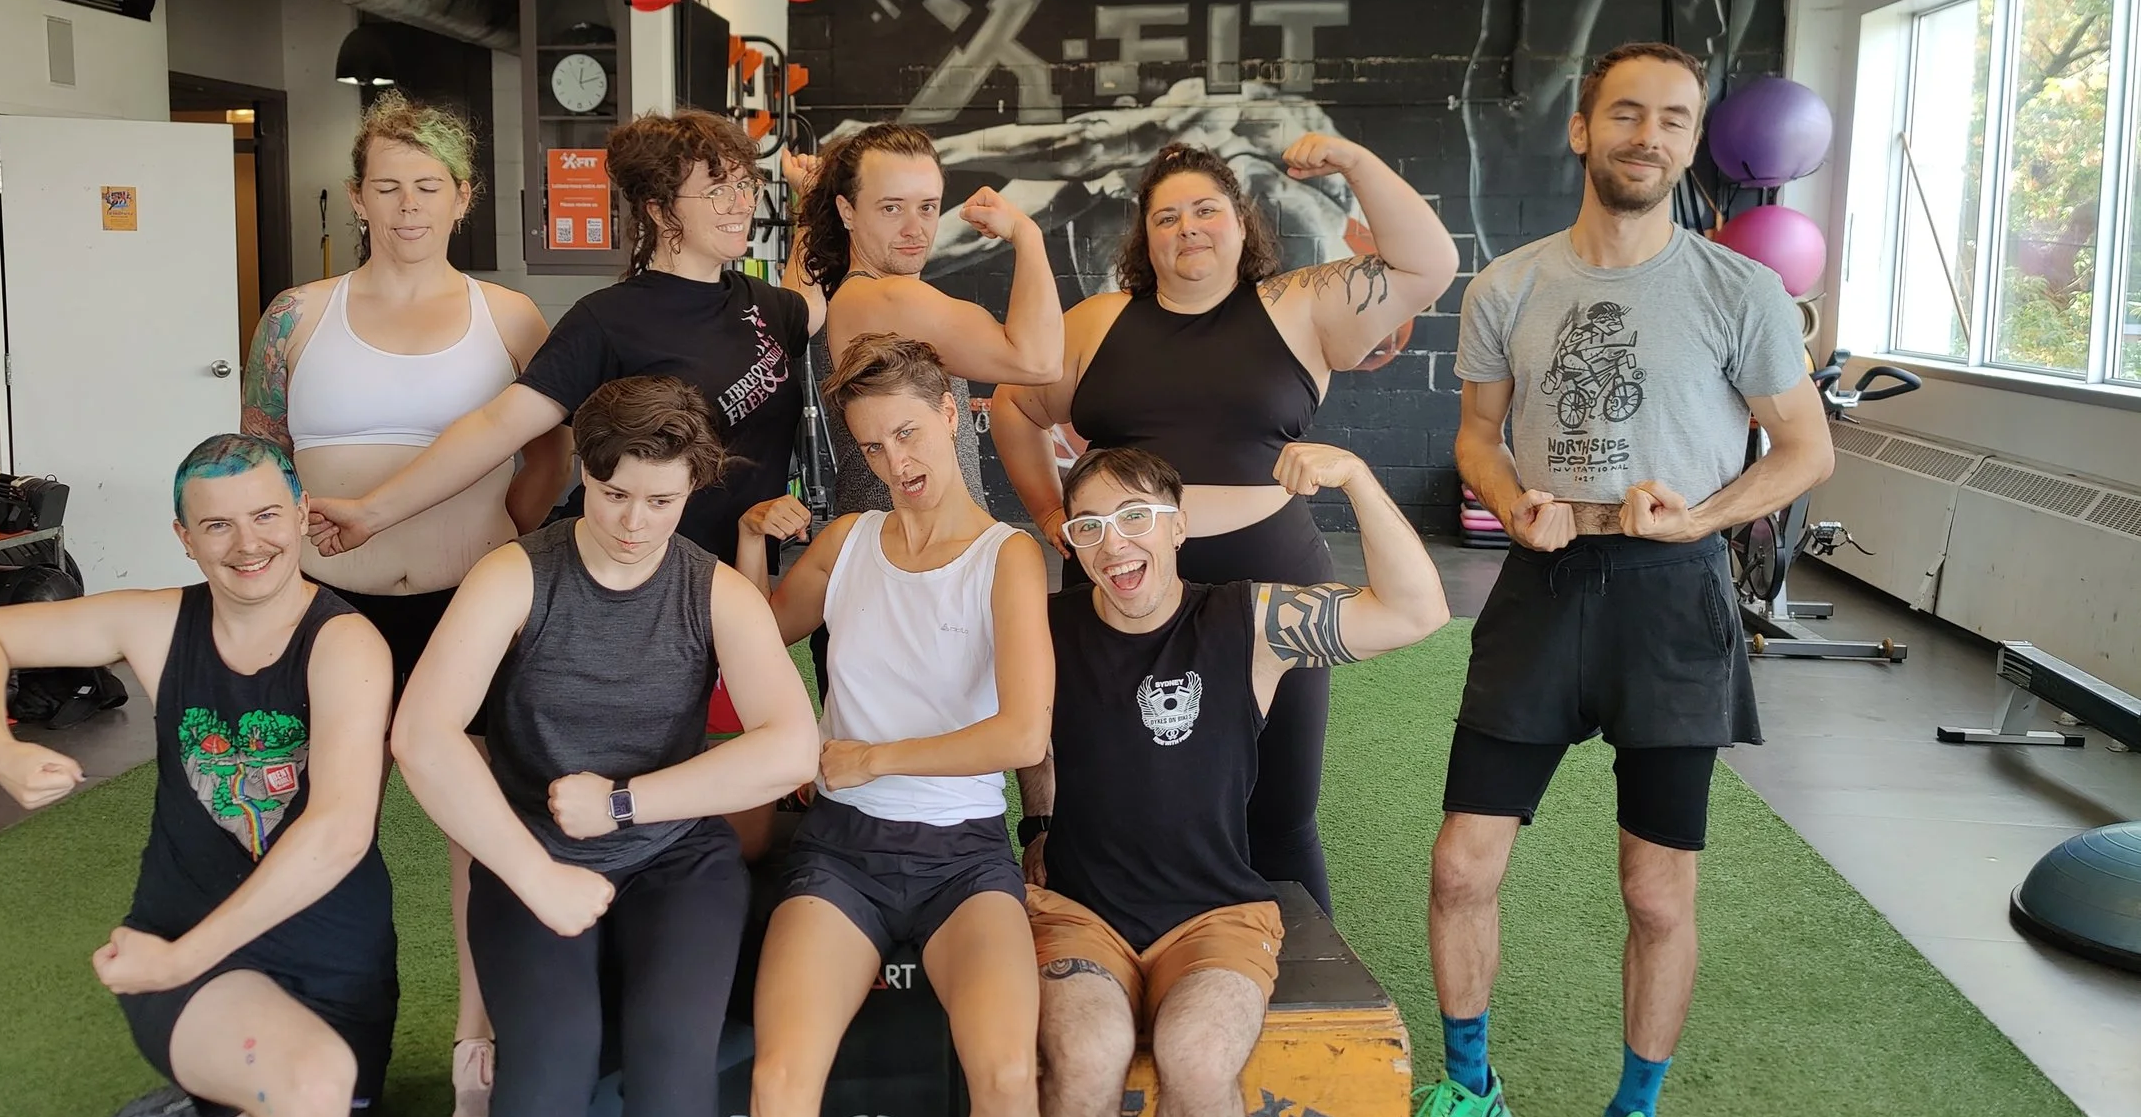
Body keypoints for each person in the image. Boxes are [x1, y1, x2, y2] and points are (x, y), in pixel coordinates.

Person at [1410, 40, 1831, 1117]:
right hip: (1544, 589)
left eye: (1675, 119)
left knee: (1656, 891)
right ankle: (1472, 1091)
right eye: (1626, 114)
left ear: (1694, 142)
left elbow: (1804, 452)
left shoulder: (1738, 291)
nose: (1649, 135)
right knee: (1458, 867)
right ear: (1583, 129)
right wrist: (1512, 499)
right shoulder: (1506, 287)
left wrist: (1699, 515)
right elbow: (1477, 434)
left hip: (1672, 598)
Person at [100, 95, 566, 1117]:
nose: (408, 207)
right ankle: (252, 1048)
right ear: (357, 196)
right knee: (292, 824)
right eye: (388, 186)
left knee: (480, 835)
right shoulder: (296, 318)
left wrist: (501, 542)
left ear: (463, 199)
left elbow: (545, 458)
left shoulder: (511, 319)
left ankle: (474, 1047)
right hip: (321, 615)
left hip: (462, 607)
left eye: (429, 187)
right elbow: (257, 458)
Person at [0, 434, 395, 1117]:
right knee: (312, 1090)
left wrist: (180, 953)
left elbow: (338, 832)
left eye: (268, 515)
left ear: (303, 513)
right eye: (217, 524)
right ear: (183, 537)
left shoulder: (346, 642)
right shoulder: (158, 625)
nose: (247, 544)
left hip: (320, 962)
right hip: (190, 966)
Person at [389, 376, 819, 1117]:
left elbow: (789, 744)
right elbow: (422, 734)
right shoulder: (514, 575)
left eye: (660, 501)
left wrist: (628, 805)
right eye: (613, 493)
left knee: (676, 1063)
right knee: (551, 1057)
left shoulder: (710, 587)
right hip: (535, 856)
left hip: (674, 858)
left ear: (691, 494)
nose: (632, 522)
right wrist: (535, 872)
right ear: (584, 473)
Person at [1021, 442, 1447, 1117]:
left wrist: (1360, 480)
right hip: (1081, 910)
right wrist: (1039, 818)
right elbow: (1016, 726)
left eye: (1135, 516)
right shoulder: (1045, 625)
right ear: (1070, 543)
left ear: (1177, 522)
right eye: (1088, 527)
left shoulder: (1247, 618)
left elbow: (1419, 610)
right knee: (1085, 1052)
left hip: (1217, 911)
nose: (1114, 543)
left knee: (1200, 1056)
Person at [990, 135, 1457, 915]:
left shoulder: (1301, 304)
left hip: (1266, 581)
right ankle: (1103, 944)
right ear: (1144, 237)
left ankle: (1305, 977)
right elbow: (1014, 402)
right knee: (1112, 789)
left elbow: (1426, 266)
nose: (1188, 227)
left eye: (1207, 208)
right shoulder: (1099, 321)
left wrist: (1356, 162)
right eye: (1166, 215)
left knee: (1277, 805)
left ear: (1243, 222)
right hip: (1118, 586)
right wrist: (1047, 509)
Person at [733, 335, 1071, 1117]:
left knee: (1009, 1077)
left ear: (959, 411)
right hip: (842, 851)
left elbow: (1022, 733)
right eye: (874, 446)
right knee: (783, 1081)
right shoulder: (847, 542)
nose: (896, 460)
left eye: (910, 433)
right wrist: (751, 544)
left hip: (964, 854)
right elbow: (749, 638)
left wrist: (875, 753)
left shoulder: (1008, 556)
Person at [308, 108, 823, 570]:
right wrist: (370, 513)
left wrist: (812, 200)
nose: (741, 204)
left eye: (746, 186)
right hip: (633, 575)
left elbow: (810, 299)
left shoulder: (766, 304)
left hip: (737, 570)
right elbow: (497, 426)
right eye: (717, 191)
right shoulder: (608, 319)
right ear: (661, 209)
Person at [779, 122, 1065, 513]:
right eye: (891, 208)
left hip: (907, 547)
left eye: (927, 207)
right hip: (913, 556)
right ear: (848, 211)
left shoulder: (852, 294)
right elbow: (1039, 361)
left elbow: (797, 295)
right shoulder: (888, 297)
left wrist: (809, 203)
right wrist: (1026, 233)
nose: (915, 229)